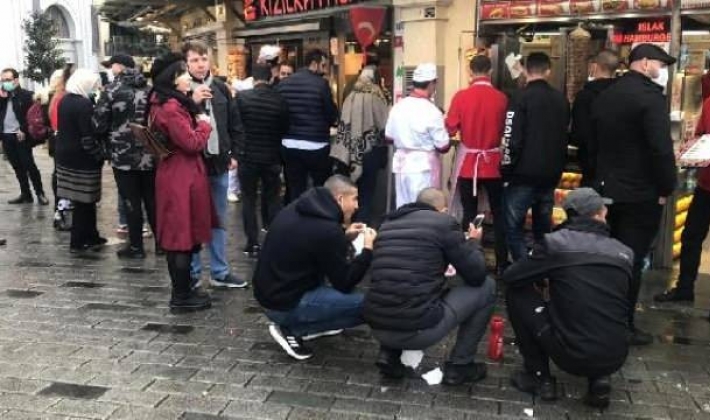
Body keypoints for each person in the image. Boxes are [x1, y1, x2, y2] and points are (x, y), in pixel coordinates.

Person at [504, 188, 632, 408]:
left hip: (571, 353)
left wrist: (543, 273)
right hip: (616, 355)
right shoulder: (624, 253)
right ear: (600, 215)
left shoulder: (557, 243)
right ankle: (599, 379)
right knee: (598, 306)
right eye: (603, 208)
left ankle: (539, 376)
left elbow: (512, 276)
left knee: (516, 291)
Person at [590, 44, 677, 345]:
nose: (662, 70)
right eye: (659, 64)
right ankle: (622, 324)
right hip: (641, 193)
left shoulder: (606, 95)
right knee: (631, 259)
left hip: (607, 190)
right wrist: (667, 186)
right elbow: (660, 149)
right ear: (643, 63)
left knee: (608, 256)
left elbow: (592, 141)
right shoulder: (650, 99)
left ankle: (600, 316)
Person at [364, 188, 495, 384]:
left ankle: (389, 354)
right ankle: (460, 365)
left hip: (377, 326)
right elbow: (476, 275)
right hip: (417, 330)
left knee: (401, 282)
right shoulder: (444, 223)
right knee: (487, 286)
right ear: (442, 211)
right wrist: (474, 243)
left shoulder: (387, 224)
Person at [253, 175, 376, 360]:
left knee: (345, 300)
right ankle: (295, 329)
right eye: (355, 199)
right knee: (374, 305)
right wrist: (367, 250)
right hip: (286, 303)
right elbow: (345, 282)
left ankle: (304, 324)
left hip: (270, 294)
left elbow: (313, 244)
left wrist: (344, 237)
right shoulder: (327, 229)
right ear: (340, 199)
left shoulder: (298, 207)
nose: (357, 206)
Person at [149, 53, 216, 312]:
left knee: (182, 236)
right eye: (184, 74)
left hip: (177, 173)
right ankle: (180, 296)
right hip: (181, 177)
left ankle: (184, 289)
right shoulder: (170, 108)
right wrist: (203, 124)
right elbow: (191, 143)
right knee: (180, 239)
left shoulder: (167, 102)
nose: (189, 77)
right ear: (173, 79)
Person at [183, 40, 247, 289]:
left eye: (203, 59)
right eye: (194, 60)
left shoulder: (221, 88)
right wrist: (193, 100)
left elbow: (235, 124)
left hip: (219, 162)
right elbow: (175, 125)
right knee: (194, 218)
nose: (200, 65)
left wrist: (235, 154)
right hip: (193, 164)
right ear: (186, 63)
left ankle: (220, 271)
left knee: (218, 219)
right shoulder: (181, 90)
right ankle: (193, 271)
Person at [501, 52, 569, 262]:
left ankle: (524, 270)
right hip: (550, 175)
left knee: (513, 226)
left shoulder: (518, 98)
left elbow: (511, 137)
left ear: (525, 69)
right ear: (549, 71)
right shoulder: (561, 99)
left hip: (523, 174)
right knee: (543, 228)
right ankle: (541, 268)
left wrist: (506, 169)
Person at [445, 54, 509, 274]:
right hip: (492, 163)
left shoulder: (461, 97)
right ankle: (501, 262)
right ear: (490, 71)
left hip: (468, 164)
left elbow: (450, 128)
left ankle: (469, 258)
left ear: (470, 72)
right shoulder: (501, 98)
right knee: (499, 214)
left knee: (469, 213)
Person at [93, 54, 156, 259]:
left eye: (112, 66)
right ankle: (163, 244)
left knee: (131, 201)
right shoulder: (150, 90)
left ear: (119, 67)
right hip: (150, 154)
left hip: (123, 155)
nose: (111, 70)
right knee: (153, 200)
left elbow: (99, 123)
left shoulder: (111, 90)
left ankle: (136, 246)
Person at [654, 92, 710, 307]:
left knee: (692, 237)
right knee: (691, 237)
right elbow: (701, 139)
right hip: (705, 185)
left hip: (705, 184)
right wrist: (689, 153)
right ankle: (685, 288)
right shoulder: (708, 104)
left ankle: (685, 288)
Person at [235, 64, 290, 258]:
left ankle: (252, 243)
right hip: (272, 156)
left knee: (249, 199)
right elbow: (285, 128)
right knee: (272, 198)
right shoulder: (280, 100)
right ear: (270, 78)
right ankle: (275, 239)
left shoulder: (242, 98)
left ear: (254, 79)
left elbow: (237, 126)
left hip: (248, 156)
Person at [277, 49, 338, 203]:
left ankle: (295, 221)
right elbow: (331, 114)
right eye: (323, 66)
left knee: (295, 188)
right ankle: (319, 220)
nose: (324, 70)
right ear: (314, 64)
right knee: (320, 188)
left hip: (289, 144)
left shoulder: (284, 84)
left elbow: (280, 113)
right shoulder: (321, 84)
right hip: (316, 144)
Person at [331, 66, 390, 224]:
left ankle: (347, 225)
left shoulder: (350, 94)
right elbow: (384, 124)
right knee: (366, 194)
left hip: (349, 152)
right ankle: (362, 228)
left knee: (350, 191)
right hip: (370, 151)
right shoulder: (377, 94)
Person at [386, 63, 450, 208]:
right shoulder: (432, 111)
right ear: (432, 84)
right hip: (422, 169)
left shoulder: (398, 107)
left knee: (403, 208)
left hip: (402, 167)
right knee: (423, 209)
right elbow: (443, 146)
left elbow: (389, 137)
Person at [56, 69, 106, 253]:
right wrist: (99, 154)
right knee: (85, 201)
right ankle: (78, 241)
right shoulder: (83, 104)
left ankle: (91, 235)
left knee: (83, 200)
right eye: (93, 86)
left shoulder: (65, 100)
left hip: (66, 156)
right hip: (82, 159)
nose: (95, 89)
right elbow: (87, 137)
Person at [0, 68, 49, 205]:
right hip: (7, 136)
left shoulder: (27, 96)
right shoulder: (3, 97)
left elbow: (33, 118)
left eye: (7, 80)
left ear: (16, 80)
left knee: (29, 165)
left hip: (21, 137)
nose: (4, 83)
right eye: (2, 80)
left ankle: (40, 193)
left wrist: (24, 130)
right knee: (17, 167)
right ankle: (25, 194)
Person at [571, 50, 619, 186]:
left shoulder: (585, 96)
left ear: (595, 66)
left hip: (590, 163)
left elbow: (578, 134)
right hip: (619, 166)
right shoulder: (623, 94)